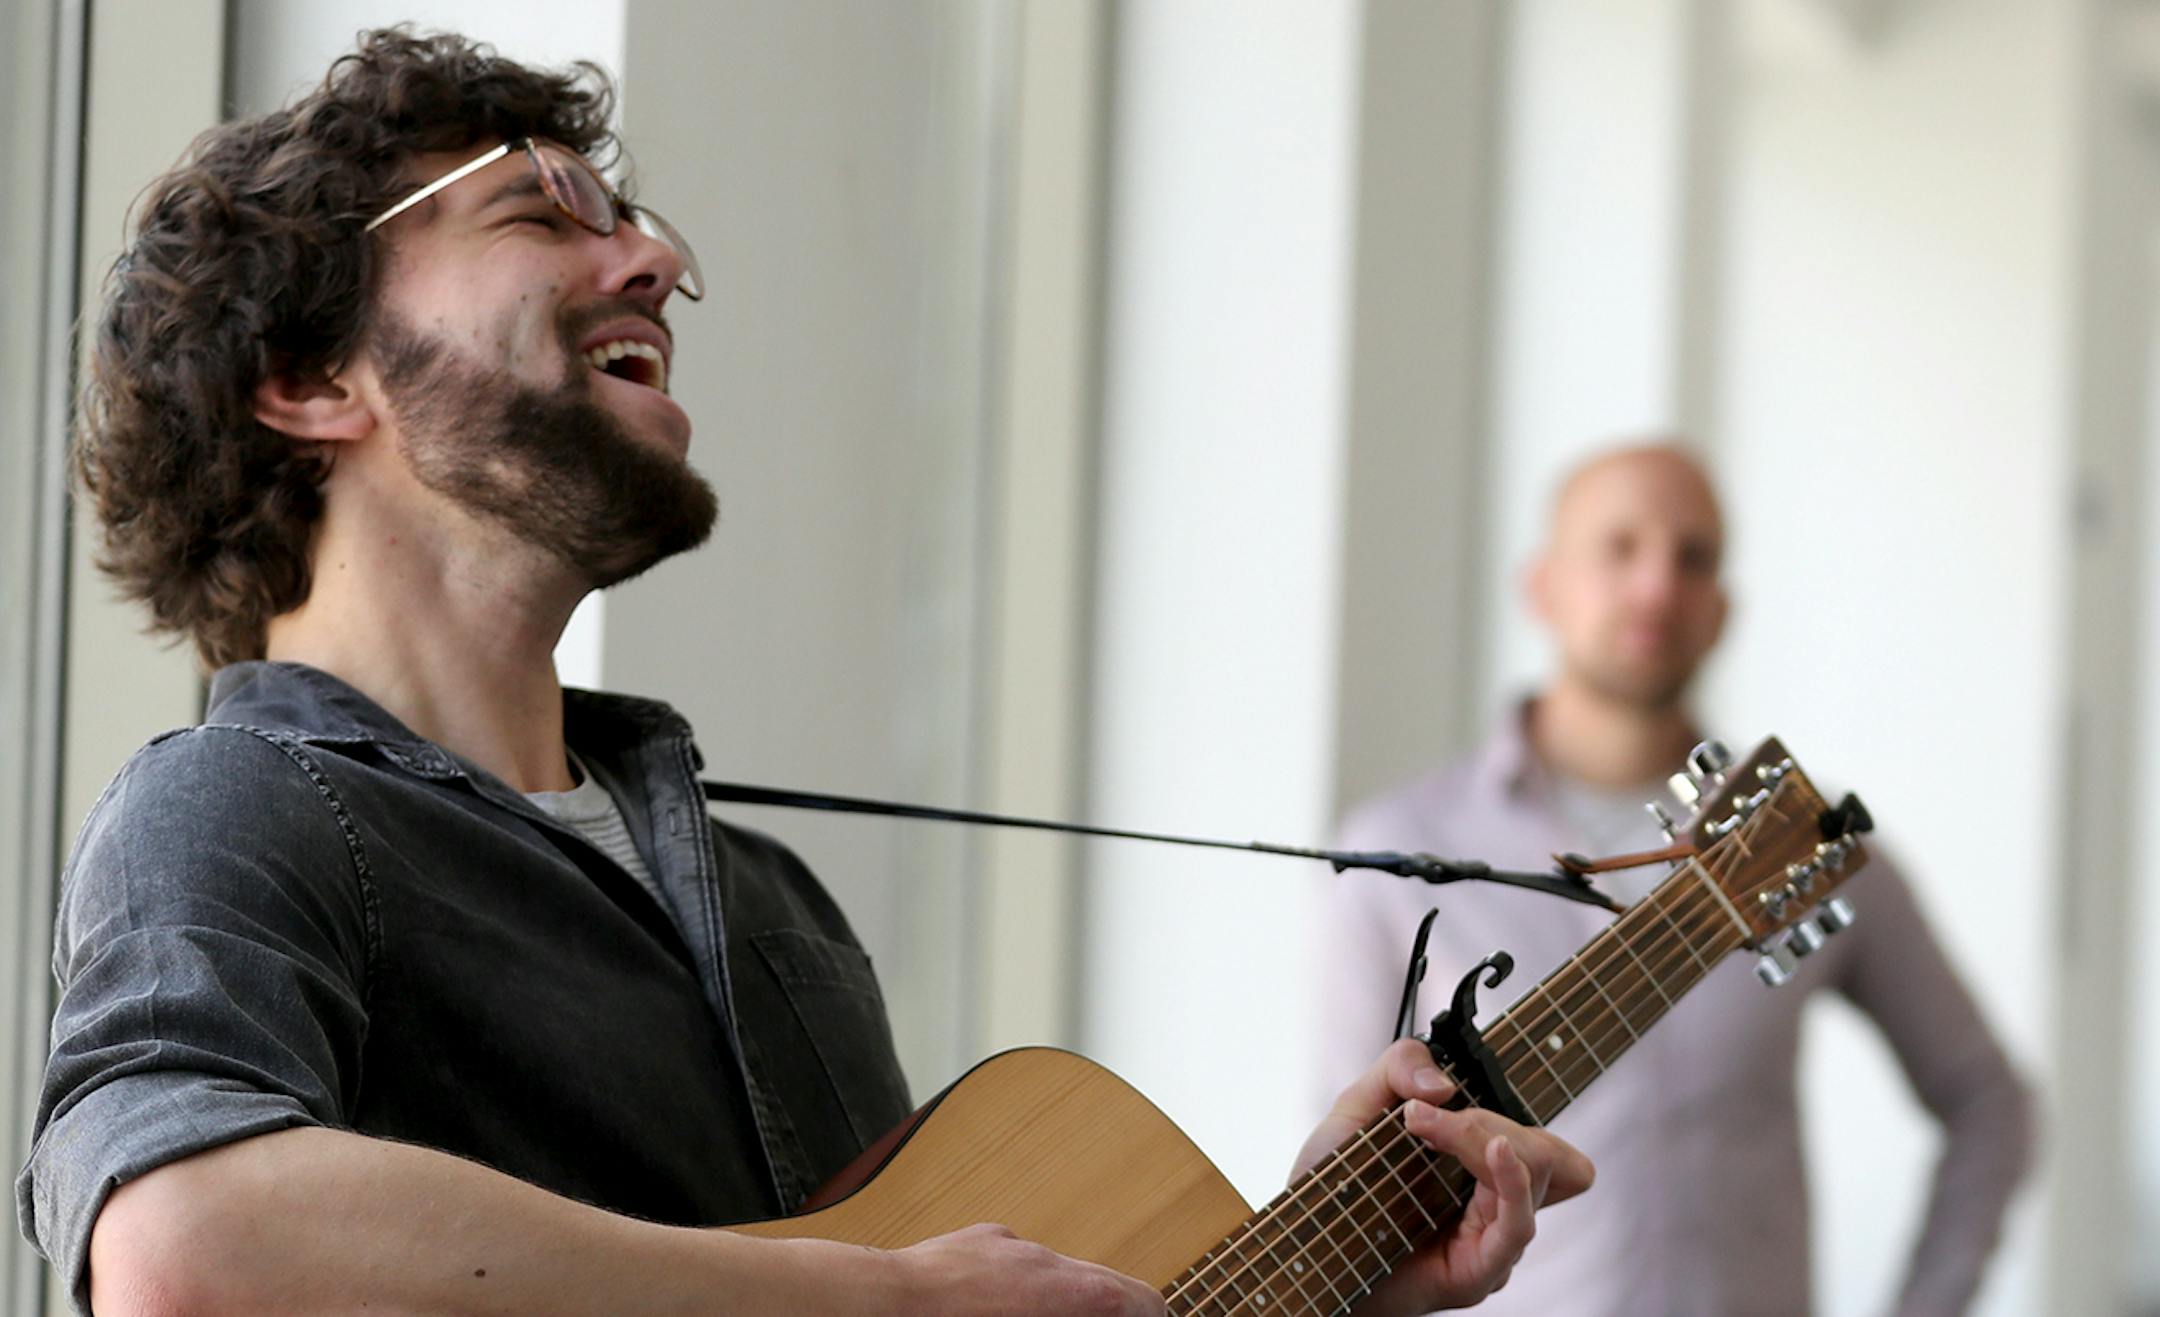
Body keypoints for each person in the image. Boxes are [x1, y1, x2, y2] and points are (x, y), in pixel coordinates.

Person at [16, 29, 1593, 1316]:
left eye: (631, 221)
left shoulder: (769, 905)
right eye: (544, 210)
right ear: (306, 376)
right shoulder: (234, 811)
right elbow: (182, 1238)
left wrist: (1322, 1263)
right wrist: (880, 1294)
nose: (652, 260)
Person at [1316, 444, 2033, 1316]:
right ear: (1541, 585)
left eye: (1692, 557)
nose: (1657, 586)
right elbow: (1339, 1178)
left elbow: (1989, 1098)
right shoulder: (1396, 849)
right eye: (1619, 547)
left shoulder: (1798, 839)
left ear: (1721, 609)